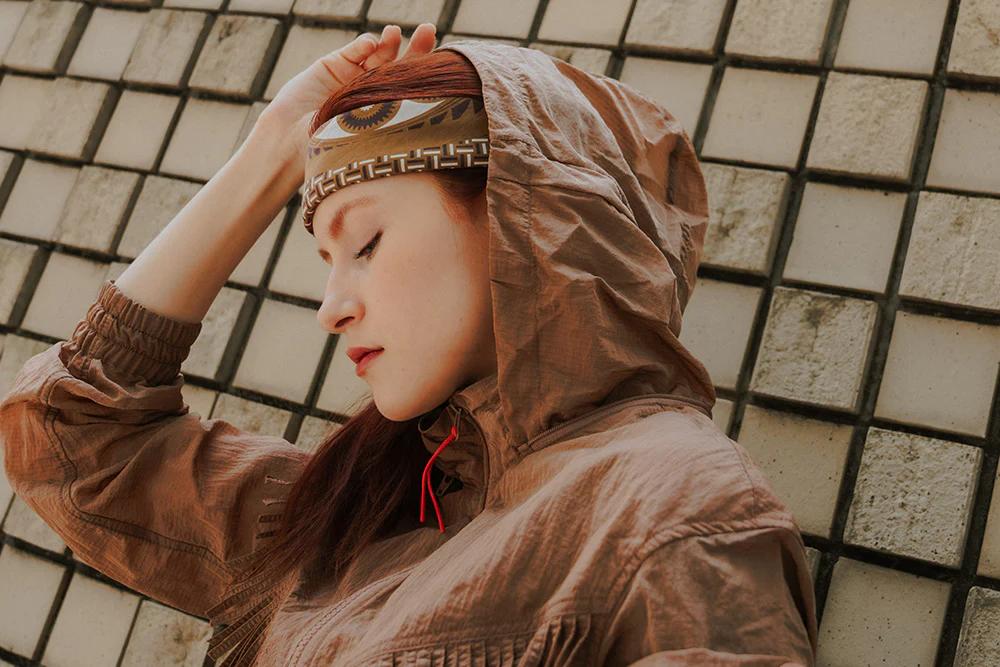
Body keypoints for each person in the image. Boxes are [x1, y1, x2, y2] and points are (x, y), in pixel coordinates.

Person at [0, 22, 818, 667]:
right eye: (325, 260)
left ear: (525, 218)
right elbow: (74, 439)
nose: (331, 308)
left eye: (365, 243)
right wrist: (273, 149)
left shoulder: (675, 508)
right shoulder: (352, 511)